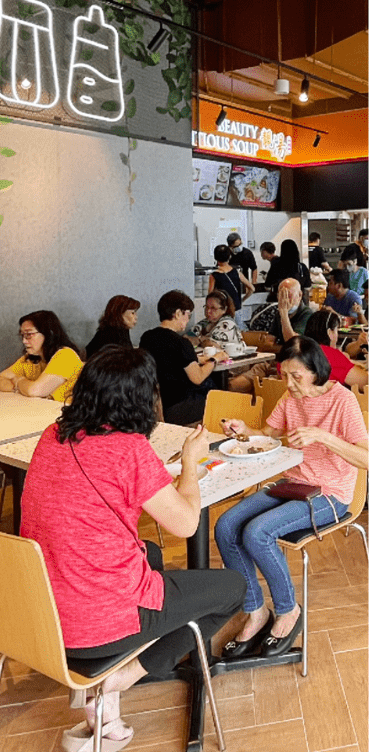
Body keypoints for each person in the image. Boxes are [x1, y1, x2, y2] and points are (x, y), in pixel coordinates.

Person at [20, 347, 245, 751]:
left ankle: (107, 701)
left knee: (151, 555)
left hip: (42, 610)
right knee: (232, 589)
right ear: (143, 397)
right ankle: (120, 679)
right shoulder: (128, 449)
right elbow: (186, 524)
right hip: (94, 624)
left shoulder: (52, 436)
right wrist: (191, 463)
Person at [214, 336, 367, 658]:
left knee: (257, 532)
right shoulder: (290, 397)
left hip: (331, 493)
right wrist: (244, 430)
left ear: (317, 372)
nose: (289, 383)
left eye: (296, 376)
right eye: (285, 375)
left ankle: (287, 610)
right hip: (292, 483)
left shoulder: (342, 401)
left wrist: (322, 436)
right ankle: (255, 611)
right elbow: (268, 436)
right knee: (226, 525)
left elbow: (365, 458)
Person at [139, 291, 217, 425]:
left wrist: (198, 360)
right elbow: (197, 377)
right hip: (177, 406)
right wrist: (215, 359)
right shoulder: (181, 343)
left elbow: (168, 361)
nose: (188, 320)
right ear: (178, 313)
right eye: (188, 314)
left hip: (152, 405)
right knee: (221, 398)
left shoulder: (147, 338)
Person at [0, 310, 83, 403]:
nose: (24, 341)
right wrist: (23, 388)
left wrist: (18, 380)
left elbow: (34, 391)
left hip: (66, 414)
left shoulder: (66, 356)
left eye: (29, 335)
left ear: (49, 333)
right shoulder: (31, 358)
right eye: (22, 335)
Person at [304, 311, 368, 388]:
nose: (337, 335)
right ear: (329, 333)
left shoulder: (302, 349)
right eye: (336, 330)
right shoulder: (331, 355)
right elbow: (365, 382)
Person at [248, 278, 313, 346]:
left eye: (289, 295)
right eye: (281, 295)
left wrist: (284, 314)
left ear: (299, 295)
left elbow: (293, 342)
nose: (285, 300)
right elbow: (270, 339)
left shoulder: (307, 313)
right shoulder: (279, 313)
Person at [209, 245, 253, 324]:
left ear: (215, 258)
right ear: (229, 256)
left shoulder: (214, 276)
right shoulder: (237, 272)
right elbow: (252, 288)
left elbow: (210, 296)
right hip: (236, 309)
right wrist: (242, 300)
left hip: (222, 311)